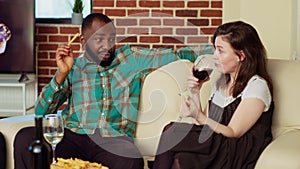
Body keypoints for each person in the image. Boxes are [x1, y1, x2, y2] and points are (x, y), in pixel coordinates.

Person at [13, 13, 213, 169]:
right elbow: (40, 112)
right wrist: (61, 74)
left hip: (113, 140)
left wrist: (215, 53)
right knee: (25, 138)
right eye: (99, 39)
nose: (107, 46)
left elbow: (176, 53)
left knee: (130, 160)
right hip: (73, 135)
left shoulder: (131, 57)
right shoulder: (73, 66)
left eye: (111, 39)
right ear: (83, 41)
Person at [152, 21, 274, 169]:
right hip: (216, 143)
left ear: (241, 56)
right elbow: (205, 126)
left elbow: (233, 132)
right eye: (215, 49)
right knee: (182, 160)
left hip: (237, 149)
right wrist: (196, 92)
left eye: (220, 51)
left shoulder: (257, 86)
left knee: (172, 131)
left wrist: (198, 115)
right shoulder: (220, 83)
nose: (214, 56)